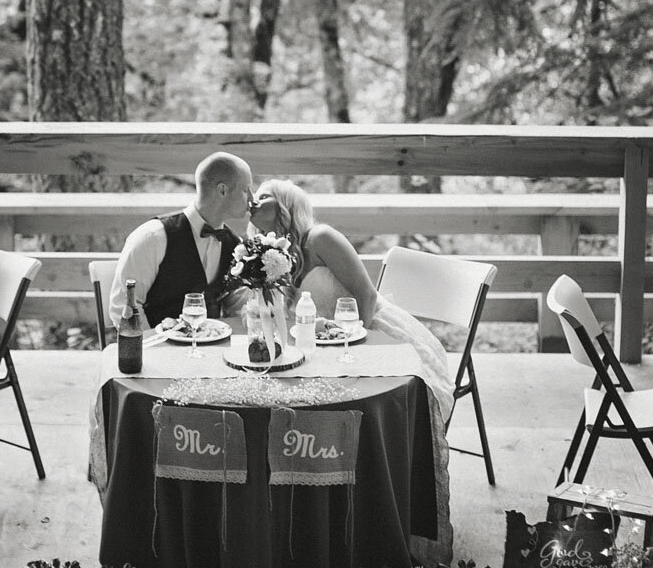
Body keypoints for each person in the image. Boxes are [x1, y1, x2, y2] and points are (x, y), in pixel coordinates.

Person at [250, 178, 454, 418]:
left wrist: (355, 352)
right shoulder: (270, 255)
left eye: (264, 196)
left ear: (287, 205)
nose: (254, 201)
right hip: (326, 346)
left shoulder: (321, 238)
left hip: (370, 334)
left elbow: (366, 295)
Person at [108, 151, 254, 328]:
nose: (252, 199)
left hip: (209, 350)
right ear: (222, 190)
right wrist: (153, 349)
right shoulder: (153, 237)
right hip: (156, 349)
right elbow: (123, 306)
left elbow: (238, 307)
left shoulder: (233, 245)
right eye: (246, 190)